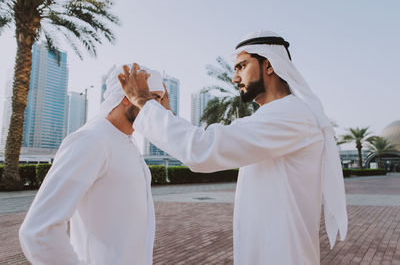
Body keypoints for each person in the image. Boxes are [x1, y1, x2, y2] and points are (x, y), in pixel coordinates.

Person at [118, 31, 348, 265]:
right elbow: (210, 145)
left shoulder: (292, 115)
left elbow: (203, 150)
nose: (235, 78)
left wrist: (144, 102)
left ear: (268, 65)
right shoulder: (273, 116)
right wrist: (163, 115)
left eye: (241, 66)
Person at [19, 64, 165, 265]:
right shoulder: (91, 140)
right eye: (153, 99)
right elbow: (38, 231)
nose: (158, 109)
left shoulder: (127, 141)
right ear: (126, 96)